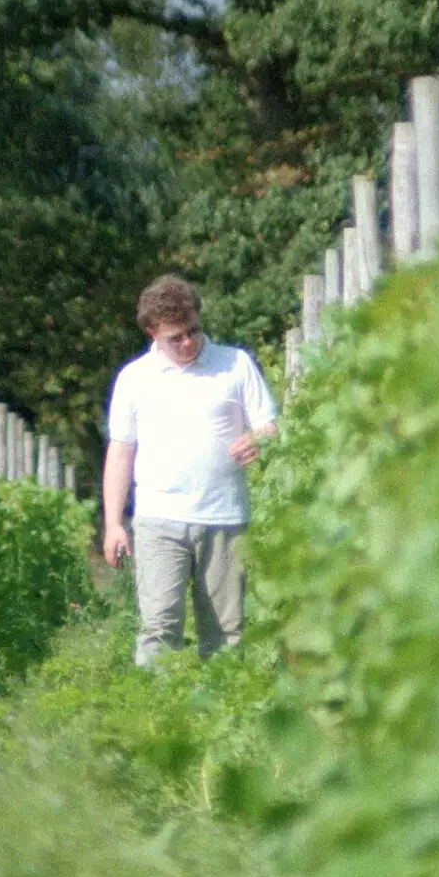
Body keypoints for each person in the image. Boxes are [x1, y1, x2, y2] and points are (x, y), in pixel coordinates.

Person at [102, 275, 277, 667]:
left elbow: (268, 425)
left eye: (194, 331)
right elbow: (120, 452)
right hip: (157, 520)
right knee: (159, 627)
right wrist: (114, 523)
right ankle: (155, 718)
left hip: (225, 518)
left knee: (226, 632)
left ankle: (222, 717)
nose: (188, 342)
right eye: (176, 337)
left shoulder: (235, 364)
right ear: (152, 332)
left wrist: (258, 440)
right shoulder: (134, 379)